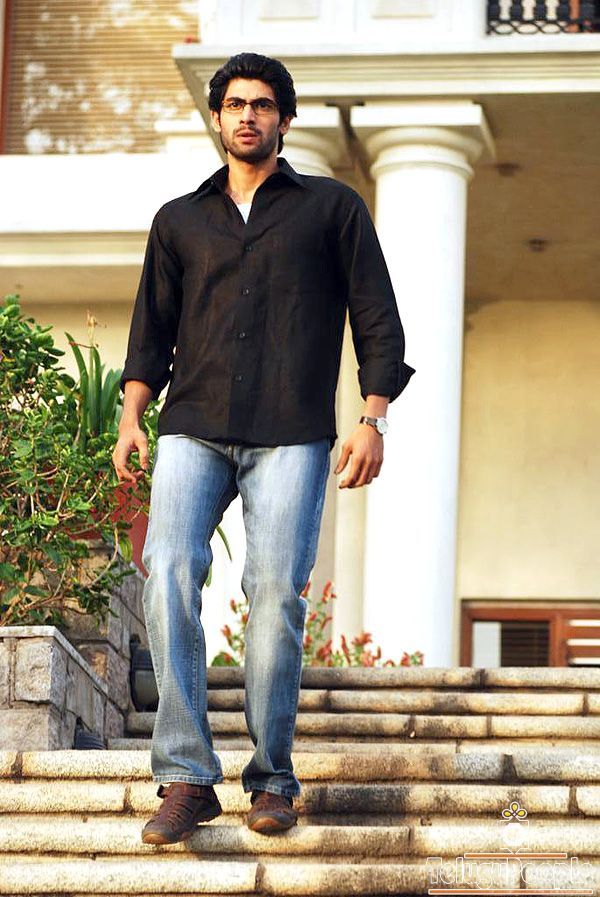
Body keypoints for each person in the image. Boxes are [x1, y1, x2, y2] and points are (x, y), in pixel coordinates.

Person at [112, 51, 414, 845]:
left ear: (285, 118)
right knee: (168, 567)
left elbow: (376, 316)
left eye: (263, 104)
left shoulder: (332, 209)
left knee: (276, 592)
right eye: (235, 104)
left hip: (292, 429)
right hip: (193, 422)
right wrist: (132, 416)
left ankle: (273, 777)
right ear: (217, 117)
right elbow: (151, 328)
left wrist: (373, 418)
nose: (248, 115)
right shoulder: (179, 220)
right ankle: (186, 776)